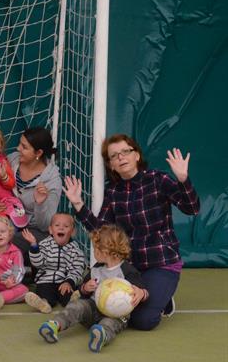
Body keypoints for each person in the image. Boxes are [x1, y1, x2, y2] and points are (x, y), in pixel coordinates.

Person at [63, 134, 199, 330]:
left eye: (125, 151)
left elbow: (192, 208)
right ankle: (156, 295)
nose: (121, 157)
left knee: (143, 321)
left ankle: (163, 297)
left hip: (160, 263)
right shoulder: (114, 192)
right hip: (128, 268)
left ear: (136, 155)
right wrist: (78, 204)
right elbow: (102, 232)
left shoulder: (158, 180)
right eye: (114, 155)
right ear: (111, 165)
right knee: (106, 307)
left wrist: (183, 180)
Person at [38, 225, 147, 352]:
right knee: (77, 305)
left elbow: (141, 291)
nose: (93, 252)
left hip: (115, 314)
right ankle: (55, 325)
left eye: (96, 249)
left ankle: (101, 335)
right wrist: (85, 288)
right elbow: (83, 291)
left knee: (110, 324)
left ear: (106, 252)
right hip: (93, 308)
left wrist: (143, 293)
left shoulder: (127, 271)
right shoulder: (96, 268)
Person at [0, 127, 61, 253]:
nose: (18, 148)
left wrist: (40, 203)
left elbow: (45, 225)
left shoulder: (51, 181)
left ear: (38, 153)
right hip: (7, 219)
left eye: (24, 147)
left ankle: (16, 265)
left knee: (5, 238)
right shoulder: (12, 160)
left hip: (33, 230)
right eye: (19, 144)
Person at [21, 213, 86, 313]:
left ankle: (73, 300)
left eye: (66, 226)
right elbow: (37, 263)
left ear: (72, 232)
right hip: (46, 280)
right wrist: (34, 246)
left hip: (64, 281)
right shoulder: (44, 245)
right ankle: (43, 303)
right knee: (45, 294)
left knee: (67, 295)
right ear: (51, 230)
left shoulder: (76, 251)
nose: (61, 228)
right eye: (57, 225)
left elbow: (77, 269)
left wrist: (69, 281)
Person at [0, 215, 37, 318]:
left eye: (3, 231)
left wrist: (12, 281)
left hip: (8, 286)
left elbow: (19, 270)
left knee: (24, 289)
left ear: (10, 233)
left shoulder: (15, 252)